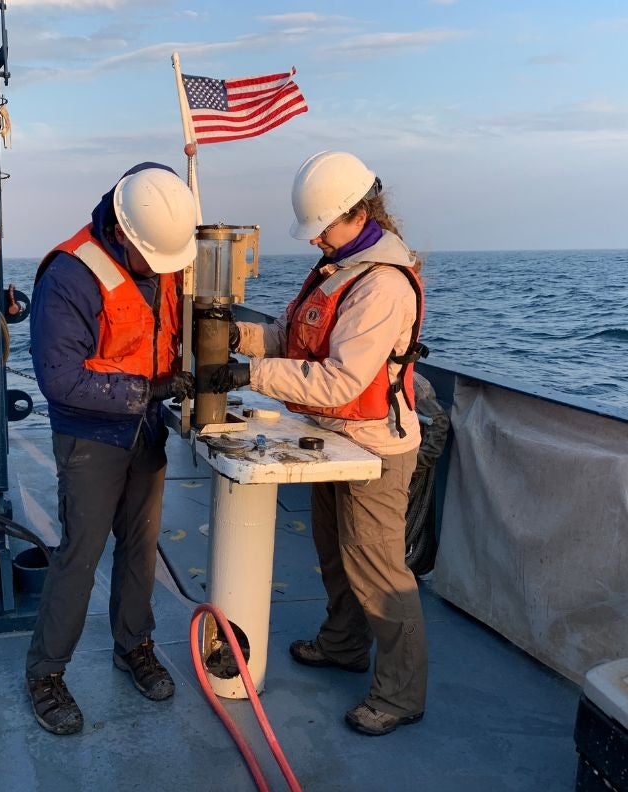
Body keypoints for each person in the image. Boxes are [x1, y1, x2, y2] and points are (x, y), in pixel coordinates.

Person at [209, 150, 428, 736]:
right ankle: (342, 645)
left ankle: (401, 694)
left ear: (357, 213)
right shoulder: (341, 267)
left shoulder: (381, 285)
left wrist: (245, 376)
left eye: (322, 228)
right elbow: (294, 338)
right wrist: (242, 337)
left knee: (378, 572)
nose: (315, 241)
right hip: (334, 436)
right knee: (336, 555)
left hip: (376, 445)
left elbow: (340, 381)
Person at [25, 163, 198, 735]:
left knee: (141, 546)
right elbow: (61, 379)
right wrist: (148, 390)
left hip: (146, 430)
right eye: (153, 259)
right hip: (91, 438)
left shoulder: (163, 257)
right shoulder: (70, 276)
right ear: (123, 233)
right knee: (81, 553)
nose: (159, 270)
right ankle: (46, 674)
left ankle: (134, 645)